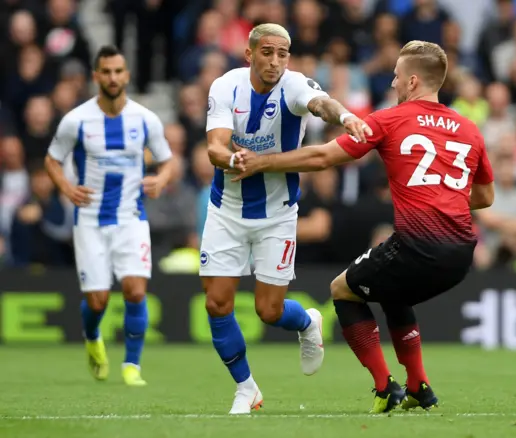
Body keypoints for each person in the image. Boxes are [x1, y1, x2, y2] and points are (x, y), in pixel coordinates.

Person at [229, 40, 495, 413]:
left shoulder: (391, 118)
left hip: (418, 245)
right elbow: (484, 197)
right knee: (393, 291)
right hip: (463, 253)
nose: (393, 83)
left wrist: (261, 163)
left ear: (414, 81)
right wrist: (441, 194)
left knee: (342, 289)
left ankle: (385, 387)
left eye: (398, 77)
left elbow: (323, 157)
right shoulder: (470, 129)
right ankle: (420, 386)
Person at [203, 23, 372, 415]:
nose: (275, 61)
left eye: (283, 53)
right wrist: (232, 159)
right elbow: (214, 145)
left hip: (277, 215)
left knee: (269, 311)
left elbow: (321, 104)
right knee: (216, 302)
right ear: (249, 54)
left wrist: (345, 116)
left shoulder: (294, 85)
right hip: (226, 210)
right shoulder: (225, 87)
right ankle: (246, 388)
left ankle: (308, 322)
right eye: (267, 52)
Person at [44, 45, 175, 387]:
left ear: (127, 75)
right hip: (90, 220)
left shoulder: (145, 119)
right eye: (107, 71)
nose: (113, 77)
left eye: (119, 71)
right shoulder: (76, 120)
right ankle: (92, 337)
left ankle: (132, 365)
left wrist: (160, 179)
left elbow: (168, 160)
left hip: (131, 216)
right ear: (96, 76)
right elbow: (52, 159)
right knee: (98, 301)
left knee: (134, 290)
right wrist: (66, 188)